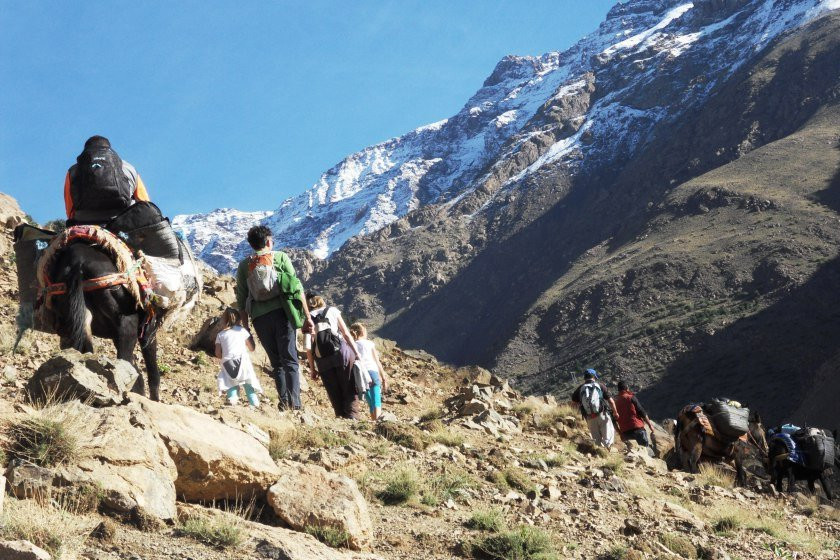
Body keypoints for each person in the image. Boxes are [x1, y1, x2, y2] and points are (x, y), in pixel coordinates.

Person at [235, 225, 314, 411]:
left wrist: (246, 327)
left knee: (276, 362)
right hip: (282, 314)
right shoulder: (279, 257)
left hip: (259, 318)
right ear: (269, 242)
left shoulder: (244, 265)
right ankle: (295, 404)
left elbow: (241, 298)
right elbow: (296, 287)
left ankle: (283, 402)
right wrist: (307, 317)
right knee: (290, 360)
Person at [64, 135, 151, 225]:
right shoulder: (128, 167)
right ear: (108, 148)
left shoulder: (73, 170)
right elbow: (144, 202)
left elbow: (70, 208)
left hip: (84, 221)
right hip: (123, 220)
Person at [305, 294, 360, 419]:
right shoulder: (332, 310)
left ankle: (340, 418)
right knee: (349, 386)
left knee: (333, 391)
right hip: (341, 354)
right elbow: (346, 333)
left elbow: (308, 347)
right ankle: (352, 418)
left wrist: (313, 369)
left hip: (322, 360)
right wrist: (356, 353)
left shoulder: (308, 319)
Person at [214, 307, 262, 408]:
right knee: (248, 383)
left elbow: (217, 353)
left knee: (231, 383)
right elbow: (252, 348)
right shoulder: (242, 331)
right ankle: (255, 404)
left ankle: (232, 401)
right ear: (239, 320)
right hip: (243, 362)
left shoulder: (220, 335)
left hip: (227, 363)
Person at [571, 369, 619, 449]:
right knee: (608, 437)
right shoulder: (600, 385)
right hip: (602, 415)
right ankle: (608, 452)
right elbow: (611, 401)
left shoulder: (580, 388)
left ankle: (599, 454)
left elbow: (573, 402)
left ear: (585, 378)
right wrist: (615, 412)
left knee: (596, 441)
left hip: (589, 418)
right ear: (594, 377)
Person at [349, 322, 388, 420]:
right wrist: (383, 378)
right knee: (376, 399)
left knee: (370, 400)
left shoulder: (351, 344)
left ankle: (373, 420)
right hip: (372, 371)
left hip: (360, 374)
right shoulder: (370, 344)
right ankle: (378, 421)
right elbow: (377, 361)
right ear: (362, 332)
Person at [614, 381, 656, 448]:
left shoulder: (615, 403)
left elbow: (614, 420)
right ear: (627, 388)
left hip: (625, 433)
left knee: (632, 452)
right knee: (644, 452)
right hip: (637, 429)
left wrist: (620, 433)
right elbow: (642, 412)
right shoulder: (631, 398)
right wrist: (650, 425)